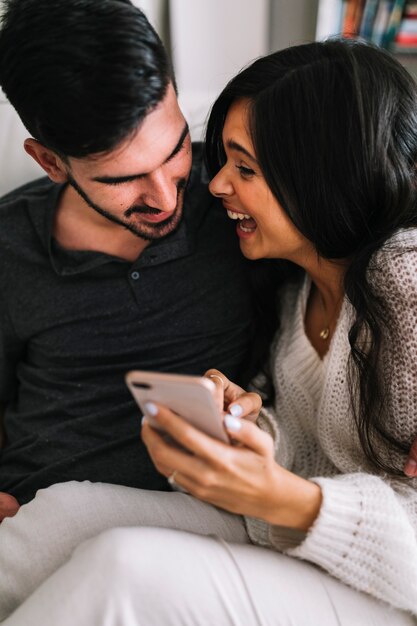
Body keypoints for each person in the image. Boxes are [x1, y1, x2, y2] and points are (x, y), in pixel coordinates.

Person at [1, 38, 416, 625]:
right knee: (61, 515)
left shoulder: (405, 284)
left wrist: (287, 498)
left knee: (125, 567)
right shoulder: (299, 288)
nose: (209, 185)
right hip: (290, 525)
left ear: (324, 176)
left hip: (386, 580)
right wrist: (251, 427)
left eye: (242, 168)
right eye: (221, 159)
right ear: (51, 163)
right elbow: (310, 446)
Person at [0, 0, 258, 518]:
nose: (165, 198)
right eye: (123, 179)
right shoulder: (8, 245)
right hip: (33, 514)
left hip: (196, 526)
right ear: (49, 161)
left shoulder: (242, 193)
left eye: (176, 150)